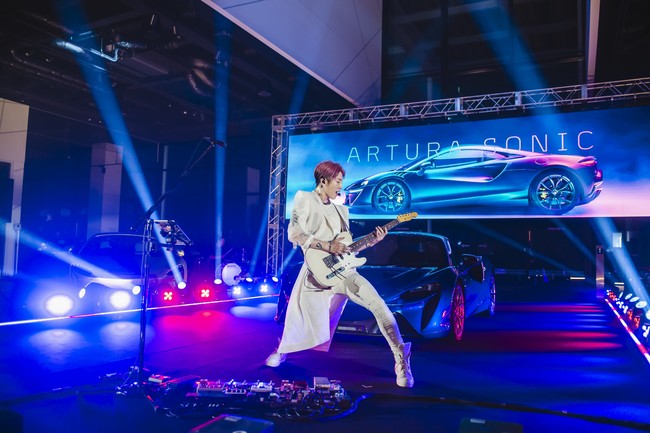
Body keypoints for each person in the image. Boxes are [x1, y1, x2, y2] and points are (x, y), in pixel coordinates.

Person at [265, 160, 414, 388]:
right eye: (337, 181)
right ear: (323, 180)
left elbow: (348, 247)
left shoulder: (340, 210)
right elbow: (294, 234)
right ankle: (283, 349)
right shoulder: (305, 199)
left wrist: (372, 240)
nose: (340, 185)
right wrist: (327, 246)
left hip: (344, 272)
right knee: (300, 318)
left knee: (379, 305)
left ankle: (401, 357)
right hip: (315, 273)